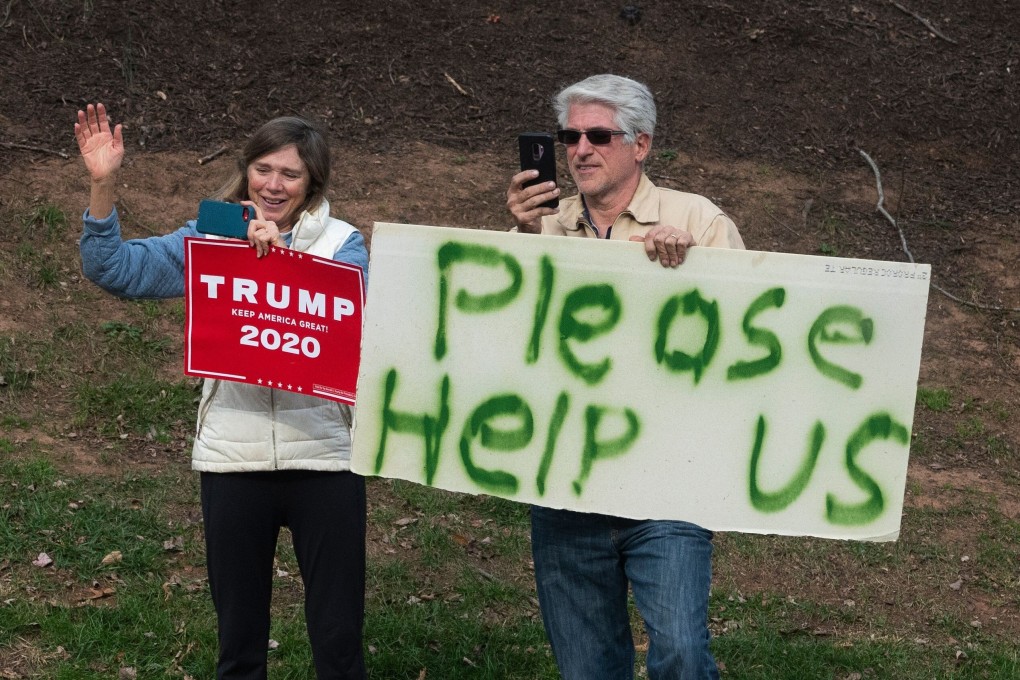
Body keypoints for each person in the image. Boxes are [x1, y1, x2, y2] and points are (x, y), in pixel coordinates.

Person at [74, 103, 368, 680]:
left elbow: (348, 328)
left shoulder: (343, 243)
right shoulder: (210, 236)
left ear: (313, 181)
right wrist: (101, 185)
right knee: (239, 648)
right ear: (246, 171)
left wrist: (277, 258)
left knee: (338, 642)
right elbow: (112, 268)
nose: (274, 185)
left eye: (290, 173)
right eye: (263, 169)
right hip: (233, 463)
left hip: (326, 459)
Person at [506, 74, 744, 680]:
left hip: (667, 484)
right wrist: (523, 241)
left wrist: (697, 271)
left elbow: (743, 340)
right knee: (587, 670)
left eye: (598, 135)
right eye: (570, 136)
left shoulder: (699, 219)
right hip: (566, 484)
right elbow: (507, 341)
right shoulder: (545, 224)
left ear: (641, 145)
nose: (580, 149)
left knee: (684, 655)